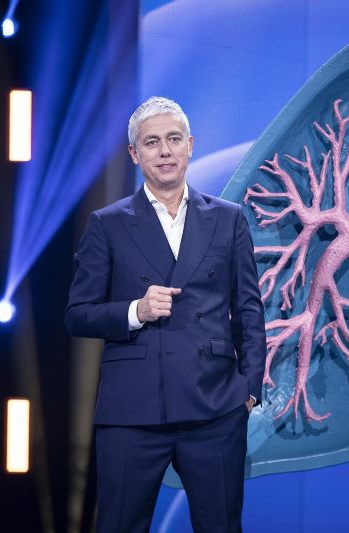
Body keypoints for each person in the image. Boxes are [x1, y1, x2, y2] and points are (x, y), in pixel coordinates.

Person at [65, 96, 265, 532]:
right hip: (132, 412)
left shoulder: (228, 220)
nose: (165, 151)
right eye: (152, 142)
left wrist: (248, 391)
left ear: (190, 145)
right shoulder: (107, 224)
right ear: (135, 154)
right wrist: (135, 310)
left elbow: (249, 310)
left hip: (214, 408)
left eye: (174, 139)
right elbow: (78, 314)